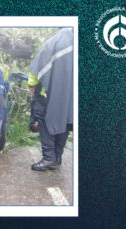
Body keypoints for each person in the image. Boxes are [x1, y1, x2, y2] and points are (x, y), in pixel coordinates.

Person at [28, 28, 74, 171]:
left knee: (44, 118)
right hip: (70, 96)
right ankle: (57, 157)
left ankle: (49, 158)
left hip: (48, 94)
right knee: (65, 120)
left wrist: (31, 85)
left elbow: (39, 66)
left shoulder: (54, 42)